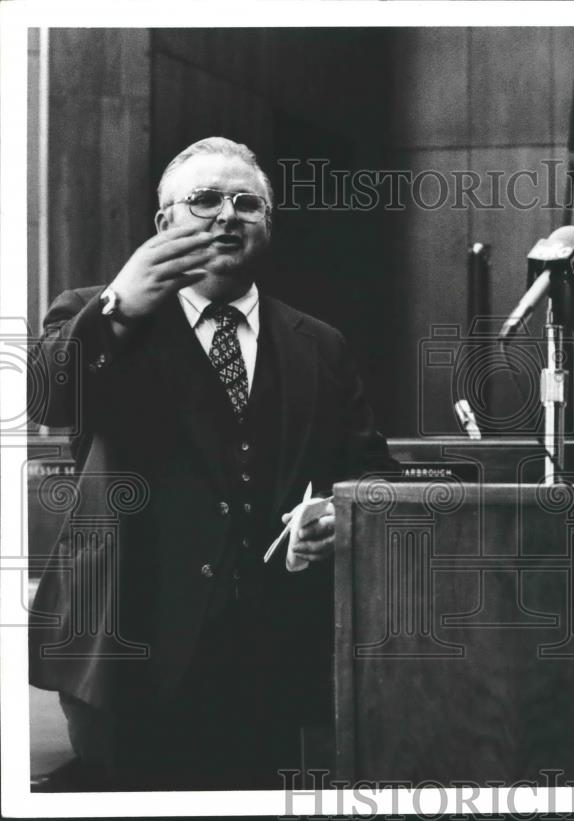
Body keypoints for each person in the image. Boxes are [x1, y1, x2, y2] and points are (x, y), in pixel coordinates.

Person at [28, 137, 396, 790]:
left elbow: (371, 474)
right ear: (164, 224)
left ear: (268, 225)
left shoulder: (321, 344)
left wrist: (343, 514)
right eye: (203, 200)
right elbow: (46, 396)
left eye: (245, 202)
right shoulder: (97, 313)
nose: (227, 214)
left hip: (270, 657)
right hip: (126, 651)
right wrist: (119, 307)